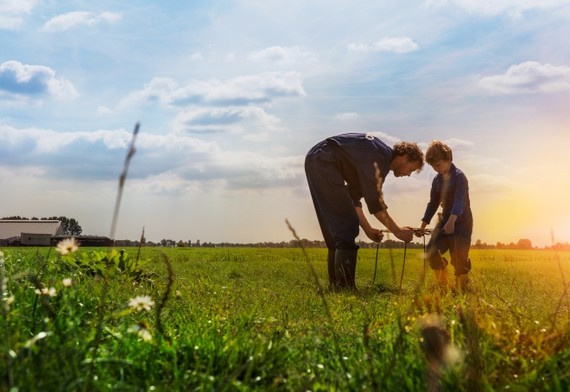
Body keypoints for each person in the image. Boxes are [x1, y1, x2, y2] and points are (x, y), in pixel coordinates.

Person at [305, 132, 424, 290]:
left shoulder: (378, 159)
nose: (408, 174)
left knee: (340, 228)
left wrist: (368, 229)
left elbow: (353, 199)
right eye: (411, 169)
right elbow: (375, 203)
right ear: (404, 157)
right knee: (345, 226)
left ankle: (336, 286)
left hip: (319, 159)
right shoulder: (379, 159)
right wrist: (397, 231)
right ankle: (344, 287)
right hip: (324, 160)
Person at [418, 140, 473, 292]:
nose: (436, 169)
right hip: (444, 221)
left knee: (459, 257)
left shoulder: (459, 177)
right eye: (433, 166)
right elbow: (433, 203)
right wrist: (423, 223)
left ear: (448, 159)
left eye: (439, 164)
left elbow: (459, 201)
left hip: (461, 222)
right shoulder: (436, 180)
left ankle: (463, 286)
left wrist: (452, 220)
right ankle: (444, 285)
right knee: (431, 252)